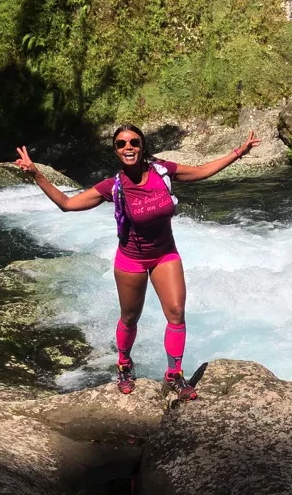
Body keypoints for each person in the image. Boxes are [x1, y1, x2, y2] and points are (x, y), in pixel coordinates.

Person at [14, 123, 260, 400]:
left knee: (176, 313)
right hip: (131, 259)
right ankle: (124, 365)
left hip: (165, 254)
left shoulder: (163, 171)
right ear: (116, 151)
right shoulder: (113, 186)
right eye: (121, 144)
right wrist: (37, 174)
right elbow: (67, 204)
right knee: (130, 318)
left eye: (133, 142)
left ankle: (174, 375)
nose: (128, 147)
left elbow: (202, 171)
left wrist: (240, 151)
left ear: (143, 146)